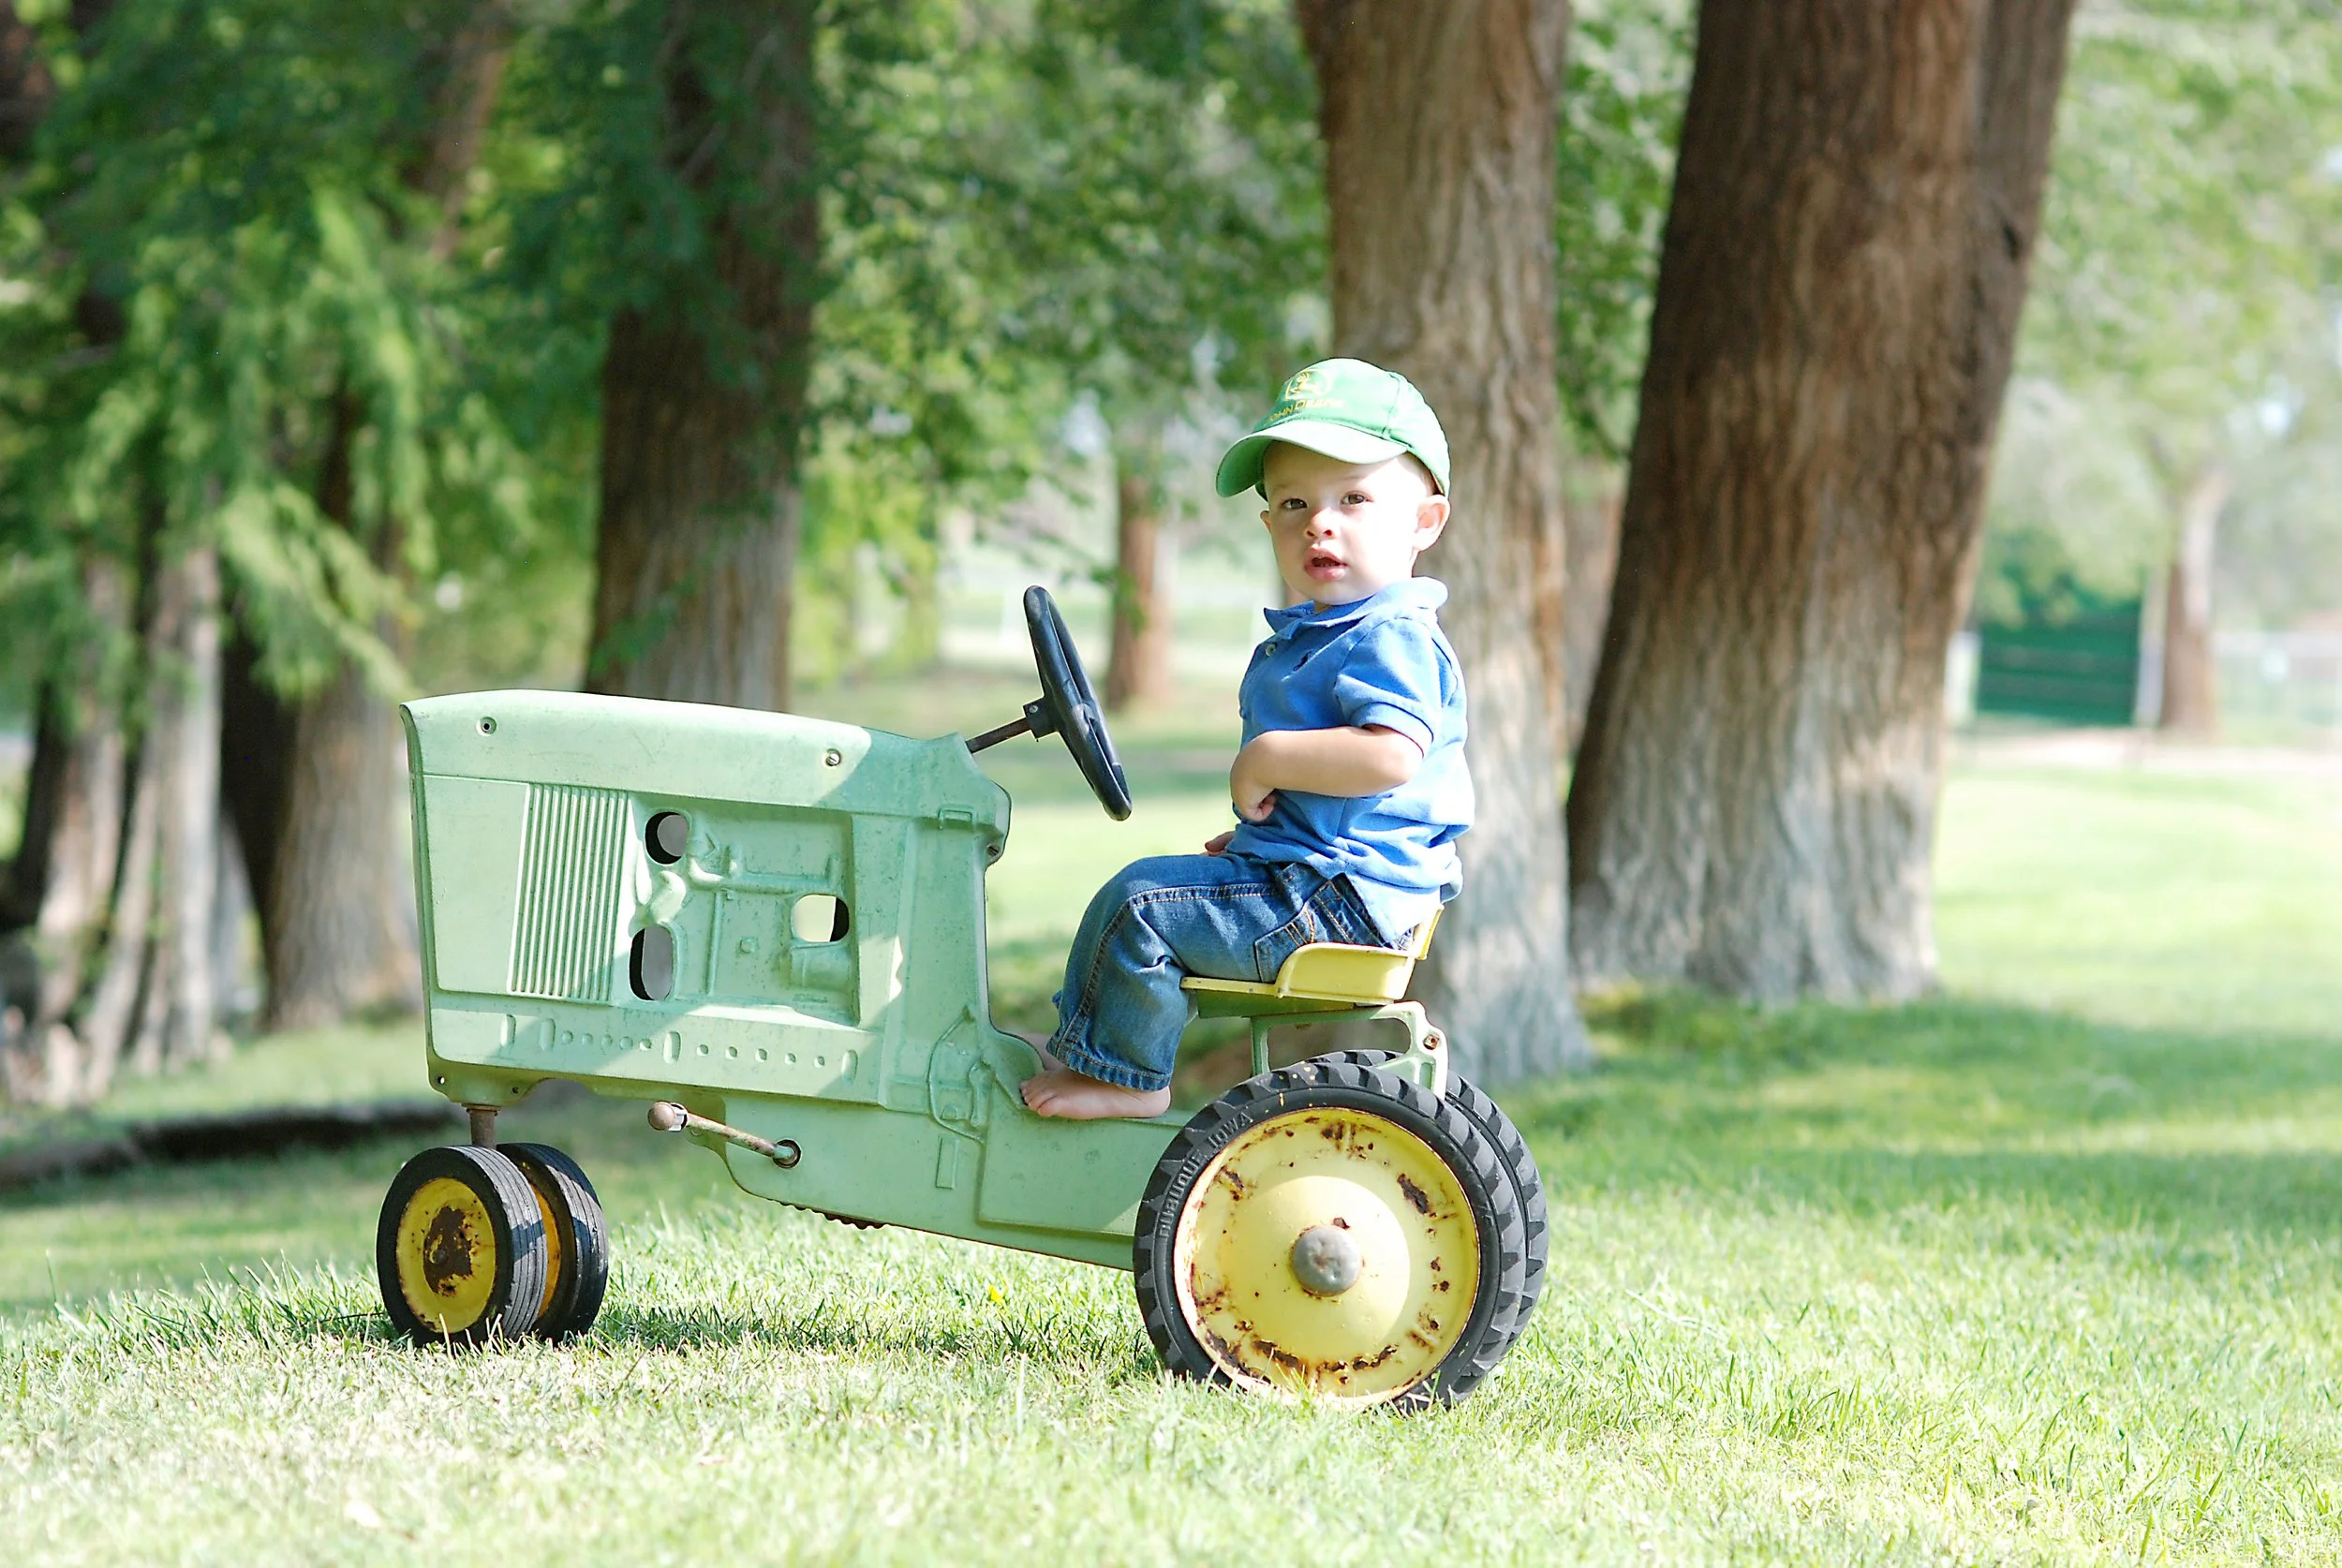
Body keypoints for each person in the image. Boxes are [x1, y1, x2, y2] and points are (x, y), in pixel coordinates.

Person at [1019, 358, 1474, 1119]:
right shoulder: (1326, 636)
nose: (1319, 522)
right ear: (1270, 527)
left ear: (1424, 523)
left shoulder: (1391, 635)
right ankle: (1093, 1055)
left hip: (1341, 900)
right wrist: (1257, 839)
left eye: (1354, 499)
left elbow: (1390, 756)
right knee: (1149, 889)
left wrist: (1265, 757)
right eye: (1294, 503)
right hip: (1321, 878)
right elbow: (1336, 796)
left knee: (1141, 905)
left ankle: (1125, 1076)